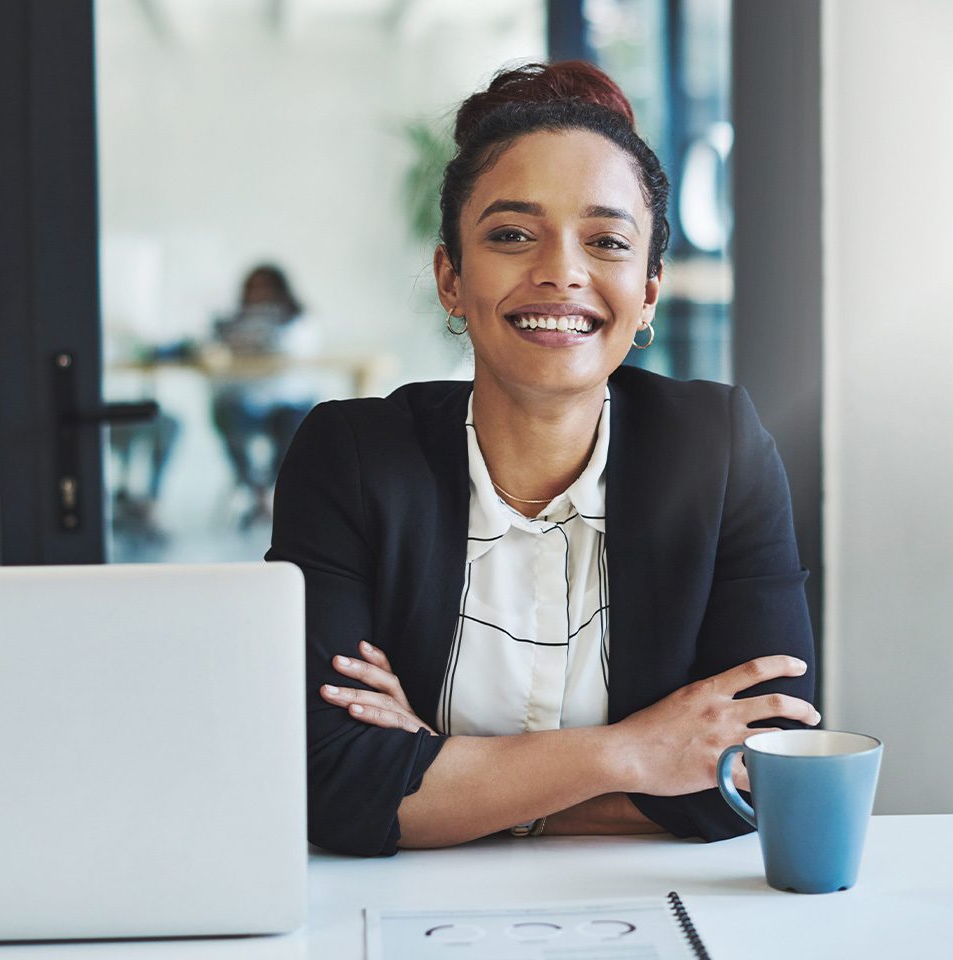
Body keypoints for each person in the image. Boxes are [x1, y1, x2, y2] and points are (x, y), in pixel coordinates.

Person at [267, 62, 817, 857]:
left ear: (650, 289)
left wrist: (439, 772)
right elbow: (327, 784)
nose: (561, 272)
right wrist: (634, 755)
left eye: (607, 241)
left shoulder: (720, 449)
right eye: (512, 235)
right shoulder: (351, 457)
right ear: (451, 277)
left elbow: (760, 776)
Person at [211, 264, 320, 529]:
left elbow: (299, 351)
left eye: (266, 287)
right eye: (253, 288)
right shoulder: (231, 322)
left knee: (296, 427)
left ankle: (275, 491)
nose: (259, 294)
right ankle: (256, 490)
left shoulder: (299, 321)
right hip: (246, 403)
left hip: (288, 401)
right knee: (226, 414)